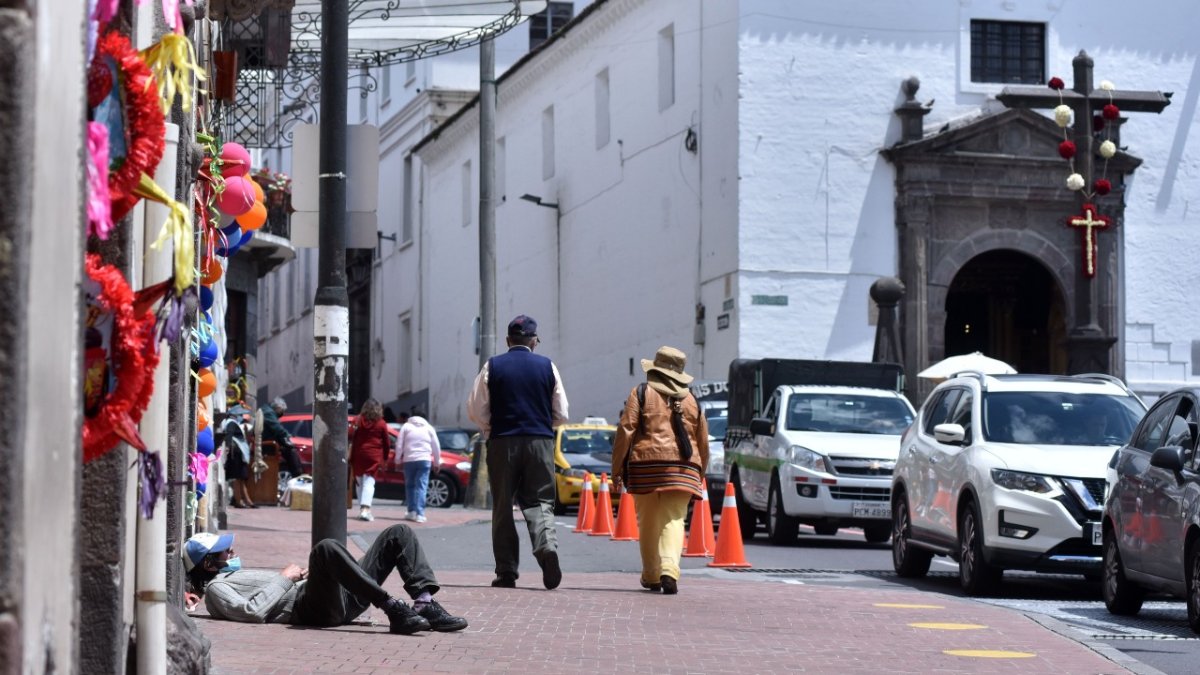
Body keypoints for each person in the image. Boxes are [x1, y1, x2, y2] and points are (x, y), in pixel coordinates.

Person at [182, 526, 468, 635]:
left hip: (334, 598)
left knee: (399, 534)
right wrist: (284, 579)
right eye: (224, 551)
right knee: (325, 548)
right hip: (313, 609)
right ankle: (393, 607)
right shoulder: (218, 589)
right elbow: (251, 612)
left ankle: (424, 603)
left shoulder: (232, 574)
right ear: (208, 564)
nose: (232, 552)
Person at [467, 314, 569, 590]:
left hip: (502, 441)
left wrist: (492, 428)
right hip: (540, 441)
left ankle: (506, 571)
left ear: (508, 340)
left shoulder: (493, 366)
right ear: (534, 341)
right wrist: (542, 424)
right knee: (539, 501)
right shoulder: (548, 366)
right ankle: (546, 548)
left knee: (502, 506)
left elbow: (476, 409)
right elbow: (561, 411)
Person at [610, 346, 708, 595]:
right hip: (684, 468)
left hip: (645, 466)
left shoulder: (641, 392)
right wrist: (700, 471)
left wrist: (617, 469)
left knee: (648, 522)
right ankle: (669, 570)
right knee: (675, 519)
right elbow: (702, 439)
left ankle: (652, 575)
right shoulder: (692, 400)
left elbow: (626, 431)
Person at [394, 409, 441, 523]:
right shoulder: (429, 428)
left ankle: (411, 512)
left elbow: (399, 444)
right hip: (424, 459)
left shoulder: (406, 427)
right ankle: (420, 514)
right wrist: (437, 462)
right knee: (421, 486)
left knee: (410, 485)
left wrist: (397, 460)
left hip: (409, 460)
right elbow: (436, 446)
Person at [351, 398, 392, 522]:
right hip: (373, 455)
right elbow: (386, 443)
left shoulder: (357, 420)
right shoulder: (381, 423)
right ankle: (365, 509)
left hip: (358, 454)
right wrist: (385, 458)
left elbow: (349, 434)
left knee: (359, 482)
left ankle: (362, 509)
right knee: (369, 481)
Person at [260, 397, 303, 478]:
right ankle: (297, 474)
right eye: (282, 411)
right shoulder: (268, 413)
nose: (282, 414)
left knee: (290, 449)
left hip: (267, 442)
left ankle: (297, 472)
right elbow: (277, 428)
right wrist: (287, 435)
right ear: (278, 408)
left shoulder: (267, 411)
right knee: (291, 451)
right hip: (267, 444)